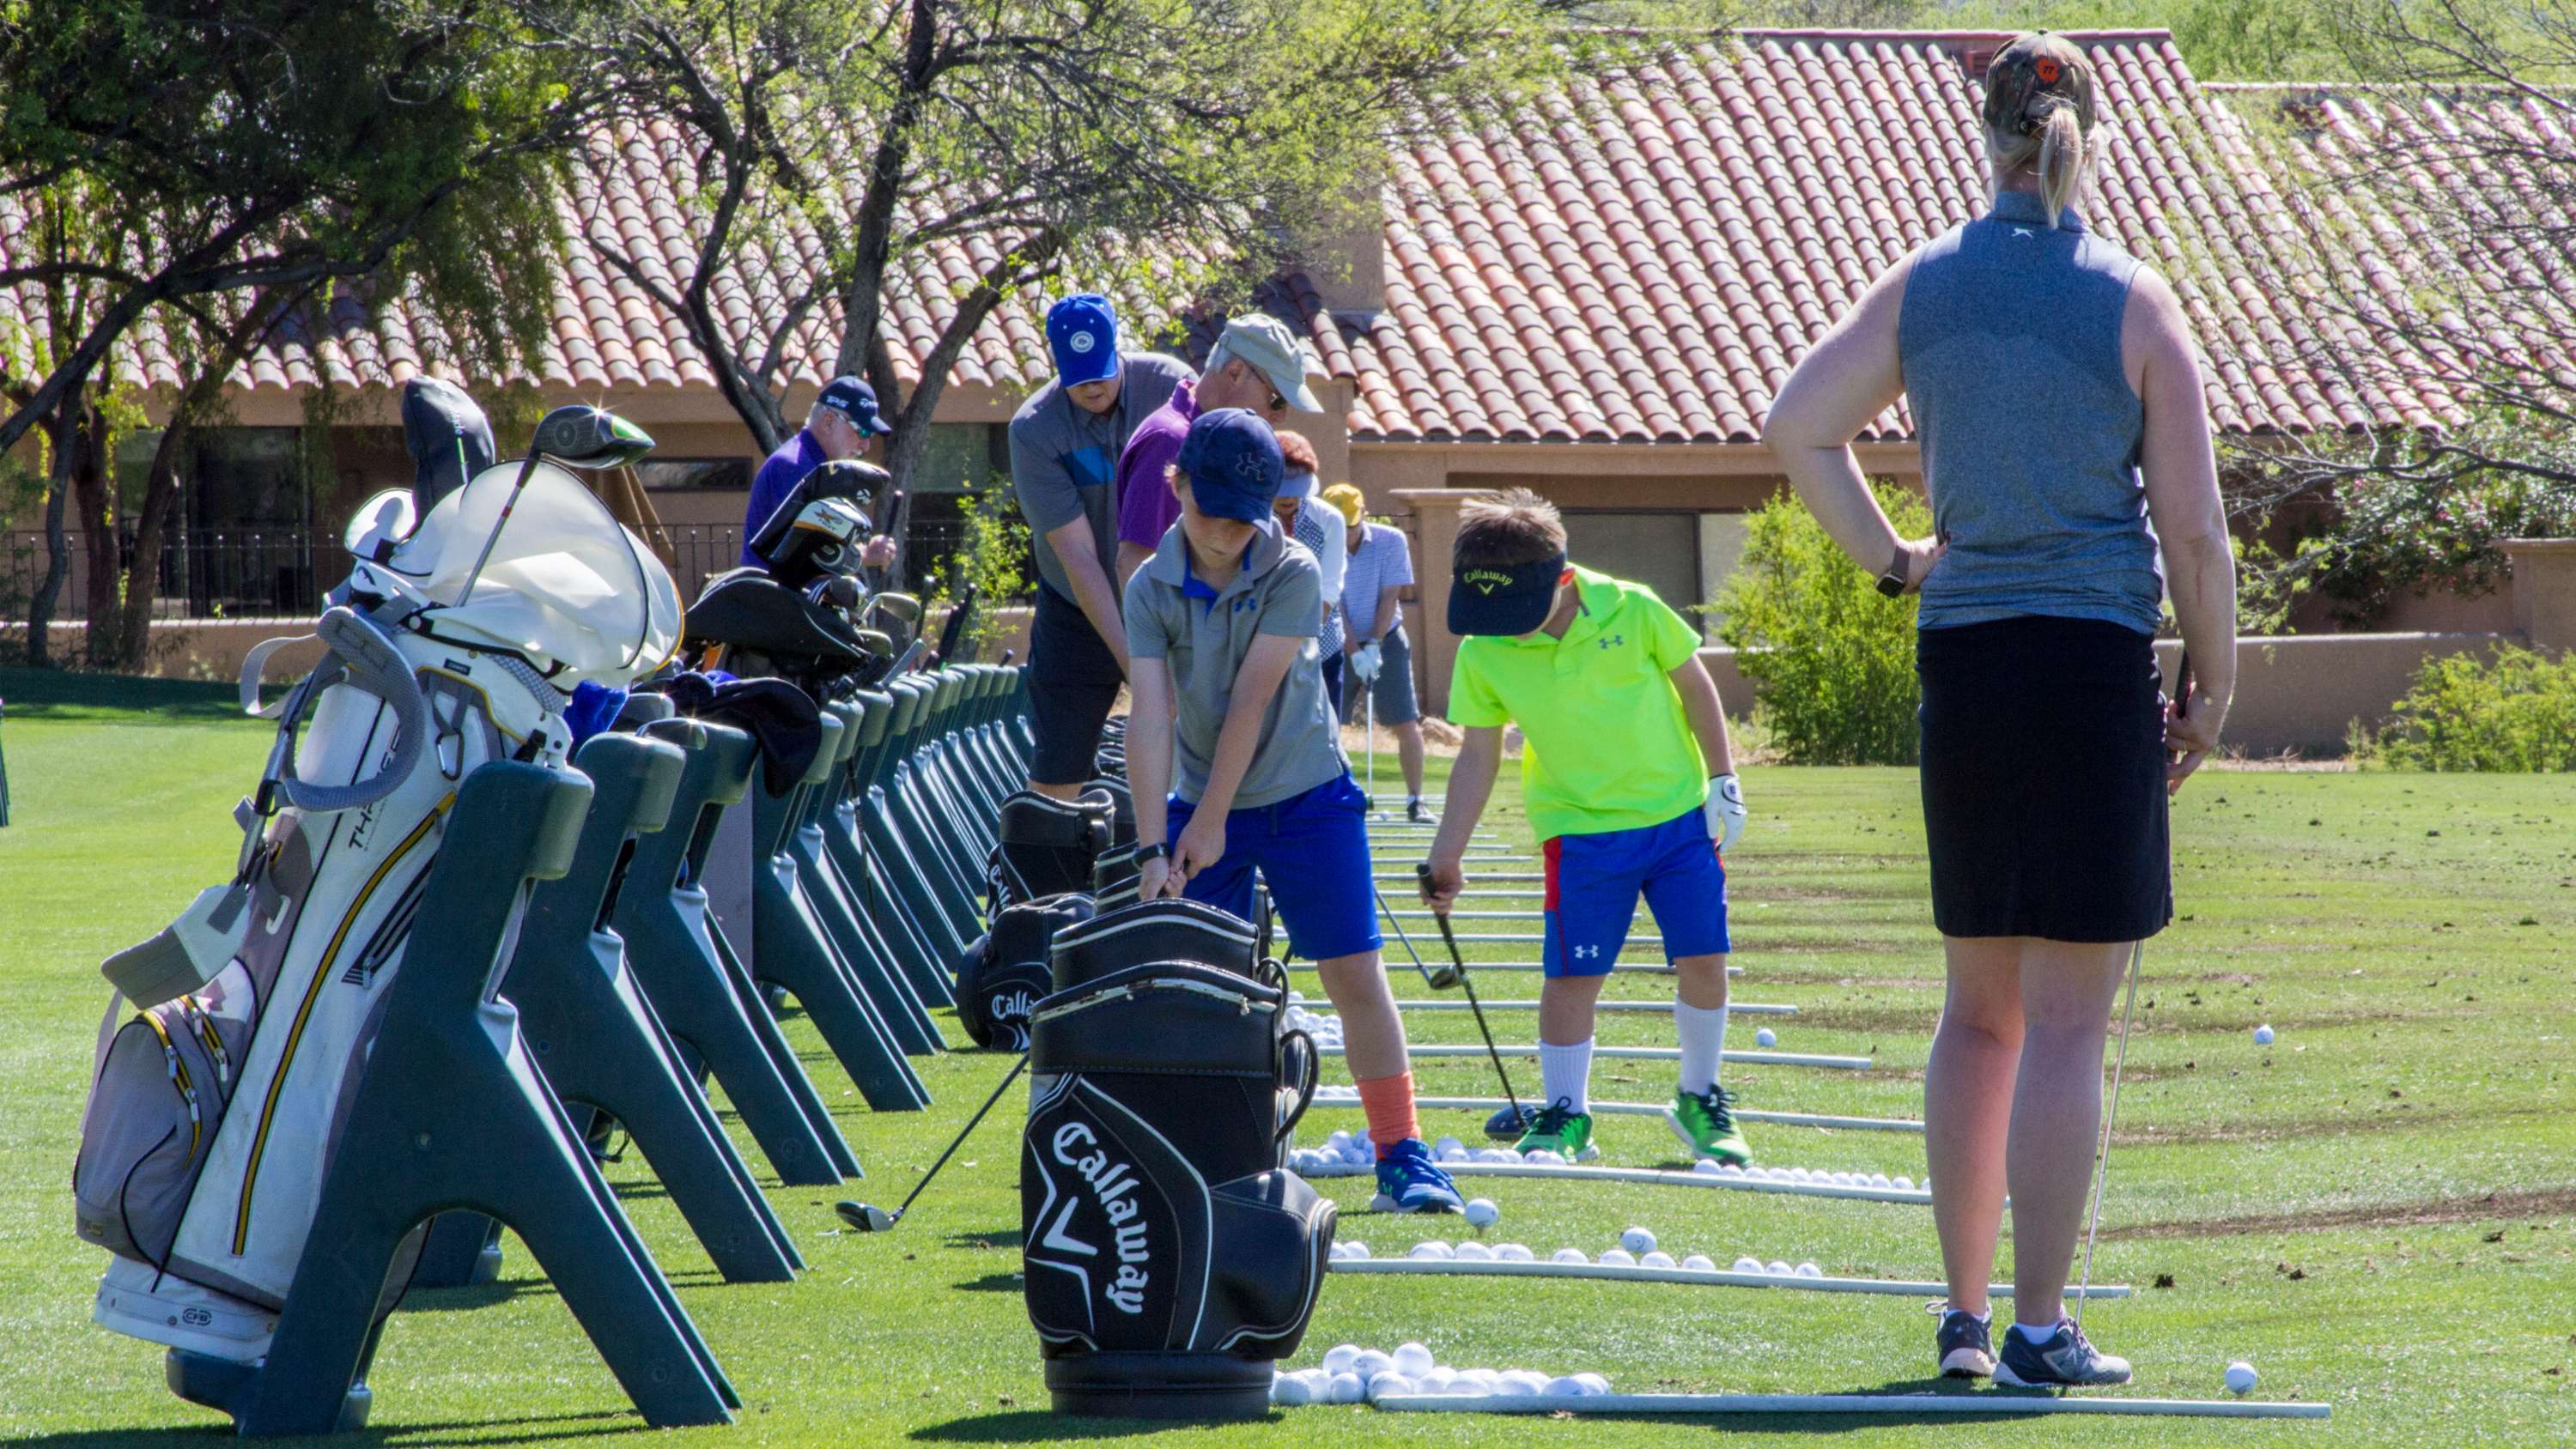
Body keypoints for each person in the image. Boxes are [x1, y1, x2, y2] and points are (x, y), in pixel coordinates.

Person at [1762, 32, 2234, 1390]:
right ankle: (2039, 1330)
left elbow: (1799, 426)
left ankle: (1965, 1326)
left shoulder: (1924, 288)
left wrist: (1899, 563)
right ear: (2093, 135)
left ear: (1988, 138)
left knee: (1979, 1014)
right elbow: (2196, 537)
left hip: (1966, 667)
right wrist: (2213, 687)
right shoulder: (2137, 301)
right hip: (2088, 670)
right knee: (2071, 1020)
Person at [1125, 409, 1461, 1215]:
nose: (1228, 535)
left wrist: (1206, 822)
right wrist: (1148, 847)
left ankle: (1402, 1151)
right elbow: (1148, 715)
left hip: (1309, 796)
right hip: (1203, 802)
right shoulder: (1148, 587)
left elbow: (1251, 701)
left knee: (1352, 973)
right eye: (1211, 513)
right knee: (1203, 984)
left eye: (1247, 518)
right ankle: (1216, 1151)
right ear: (1176, 489)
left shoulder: (1297, 569)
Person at [1419, 489, 1751, 1168]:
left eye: (1514, 611)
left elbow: (1696, 686)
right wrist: (1445, 851)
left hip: (1678, 817)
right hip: (1578, 833)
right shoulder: (1485, 650)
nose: (1503, 628)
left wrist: (1723, 780)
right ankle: (1567, 1112)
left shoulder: (1634, 606)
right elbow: (1479, 754)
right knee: (1572, 977)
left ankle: (1700, 1097)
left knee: (1704, 958)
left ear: (1562, 579)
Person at [1007, 294, 1194, 800]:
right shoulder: (1034, 429)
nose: (1091, 386)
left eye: (1101, 372)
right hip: (1078, 609)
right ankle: (1045, 875)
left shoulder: (1170, 387)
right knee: (1058, 769)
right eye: (1077, 376)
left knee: (1195, 754)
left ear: (1119, 351)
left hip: (1172, 600)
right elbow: (1079, 560)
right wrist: (1137, 663)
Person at [1111, 313, 1324, 587]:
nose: (1281, 416)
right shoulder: (1172, 440)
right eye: (1276, 400)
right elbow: (1134, 564)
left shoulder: (1212, 441)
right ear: (1235, 372)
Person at [1331, 484, 1427, 822]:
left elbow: (1390, 596)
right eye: (1340, 526)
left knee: (1406, 723)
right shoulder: (1320, 545)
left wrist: (1373, 644)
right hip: (1333, 640)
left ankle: (1417, 800)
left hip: (1388, 637)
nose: (1347, 534)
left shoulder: (1391, 540)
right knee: (1326, 725)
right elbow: (1333, 607)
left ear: (1364, 515)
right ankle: (1333, 799)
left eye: (1352, 525)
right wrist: (1355, 651)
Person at [742, 376, 898, 573]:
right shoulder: (793, 466)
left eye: (870, 435)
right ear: (828, 422)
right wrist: (865, 554)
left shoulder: (821, 470)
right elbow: (797, 554)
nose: (866, 445)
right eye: (863, 432)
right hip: (769, 598)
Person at [1271, 431, 1349, 716]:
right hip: (1265, 650)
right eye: (1281, 487)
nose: (1288, 496)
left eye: (1296, 487)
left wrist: (1301, 645)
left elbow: (1329, 587)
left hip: (1322, 648)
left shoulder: (1328, 519)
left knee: (1325, 745)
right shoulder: (1253, 519)